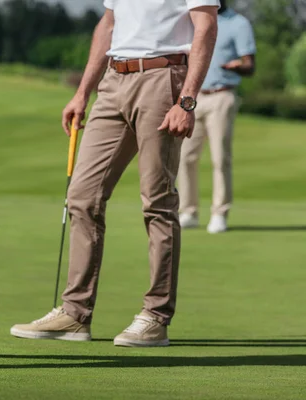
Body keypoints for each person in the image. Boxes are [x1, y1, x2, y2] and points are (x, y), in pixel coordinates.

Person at [11, 0, 219, 347]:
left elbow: (206, 27)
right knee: (82, 196)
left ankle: (155, 316)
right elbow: (108, 24)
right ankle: (74, 314)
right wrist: (82, 92)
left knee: (157, 201)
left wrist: (187, 101)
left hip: (163, 78)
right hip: (113, 81)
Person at [178, 0, 256, 234]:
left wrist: (236, 66)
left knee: (220, 158)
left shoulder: (239, 24)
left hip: (222, 95)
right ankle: (188, 211)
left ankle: (219, 213)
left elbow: (250, 66)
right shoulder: (191, 18)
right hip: (192, 97)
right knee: (185, 157)